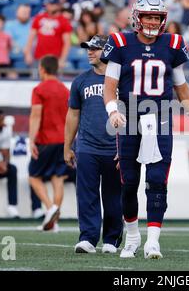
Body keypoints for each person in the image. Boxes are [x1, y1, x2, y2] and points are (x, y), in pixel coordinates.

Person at [102, 0, 189, 259]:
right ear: (136, 18)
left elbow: (182, 89)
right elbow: (109, 89)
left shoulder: (171, 45)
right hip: (129, 116)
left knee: (156, 181)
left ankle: (153, 241)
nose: (152, 22)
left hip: (160, 118)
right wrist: (113, 111)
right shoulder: (120, 42)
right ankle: (131, 236)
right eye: (148, 17)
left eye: (156, 17)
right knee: (129, 183)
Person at [64, 35, 123, 254]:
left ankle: (111, 239)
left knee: (114, 196)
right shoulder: (80, 81)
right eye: (88, 48)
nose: (90, 52)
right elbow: (72, 115)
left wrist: (127, 147)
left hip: (115, 147)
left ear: (107, 51)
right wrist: (67, 146)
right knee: (86, 194)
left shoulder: (122, 79)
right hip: (87, 146)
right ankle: (88, 237)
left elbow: (134, 112)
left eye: (95, 48)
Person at [28, 56, 70, 232]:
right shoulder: (65, 90)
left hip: (46, 140)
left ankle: (50, 208)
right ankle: (54, 222)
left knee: (33, 176)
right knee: (57, 178)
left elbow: (36, 115)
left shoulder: (39, 89)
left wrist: (31, 139)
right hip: (63, 140)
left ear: (43, 69)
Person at [24, 0, 73, 70]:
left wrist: (62, 59)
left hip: (55, 58)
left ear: (58, 5)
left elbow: (67, 43)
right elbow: (31, 37)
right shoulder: (39, 18)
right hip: (39, 57)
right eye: (49, 4)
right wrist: (28, 53)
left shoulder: (64, 21)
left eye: (53, 4)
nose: (50, 6)